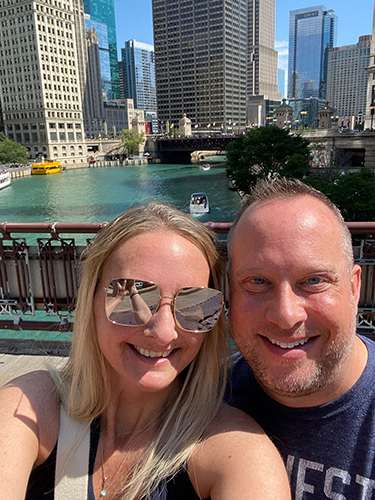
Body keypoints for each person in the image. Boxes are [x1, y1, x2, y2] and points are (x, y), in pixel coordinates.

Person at [0, 202, 290, 500]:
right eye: (132, 296)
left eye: (194, 305)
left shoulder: (236, 453)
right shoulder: (30, 406)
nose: (164, 331)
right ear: (91, 300)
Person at [226, 177, 375, 500]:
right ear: (229, 291)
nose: (286, 315)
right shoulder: (199, 401)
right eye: (257, 281)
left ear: (353, 288)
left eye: (314, 280)